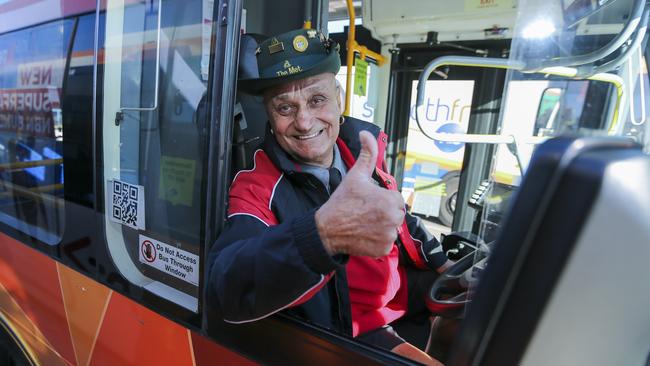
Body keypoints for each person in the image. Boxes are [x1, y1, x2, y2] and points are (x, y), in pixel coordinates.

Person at [207, 28, 452, 365]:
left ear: (339, 98)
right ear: (268, 113)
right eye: (284, 108)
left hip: (404, 298)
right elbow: (226, 288)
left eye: (317, 100)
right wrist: (320, 237)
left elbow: (400, 216)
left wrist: (444, 266)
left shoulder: (362, 145)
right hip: (349, 330)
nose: (304, 121)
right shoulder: (255, 185)